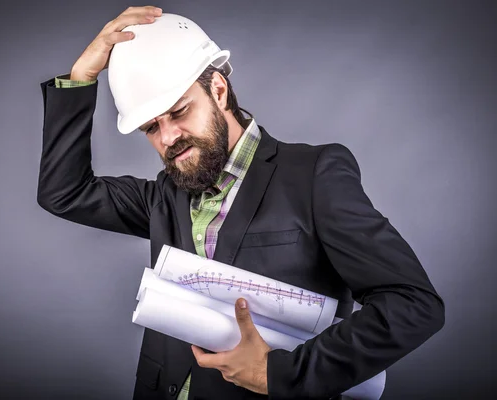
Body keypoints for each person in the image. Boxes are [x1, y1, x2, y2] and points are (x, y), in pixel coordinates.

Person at [37, 6, 445, 400]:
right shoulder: (165, 194)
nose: (167, 138)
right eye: (151, 127)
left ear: (218, 89)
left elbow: (412, 302)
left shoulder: (312, 175)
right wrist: (80, 78)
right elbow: (64, 192)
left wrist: (282, 373)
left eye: (179, 112)